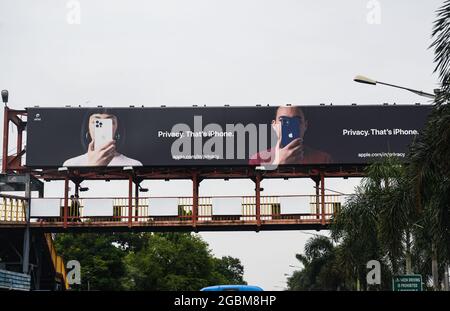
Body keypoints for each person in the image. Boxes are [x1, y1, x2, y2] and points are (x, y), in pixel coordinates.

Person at [249, 105, 332, 165]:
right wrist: (277, 164)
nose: (290, 127)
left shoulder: (324, 159)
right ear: (274, 125)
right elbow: (257, 187)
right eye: (283, 121)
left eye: (296, 121)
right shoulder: (257, 159)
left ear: (305, 125)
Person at [63, 111, 142, 167]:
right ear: (88, 127)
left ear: (117, 128)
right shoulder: (71, 164)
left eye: (109, 122)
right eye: (96, 121)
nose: (103, 129)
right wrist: (92, 167)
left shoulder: (134, 165)